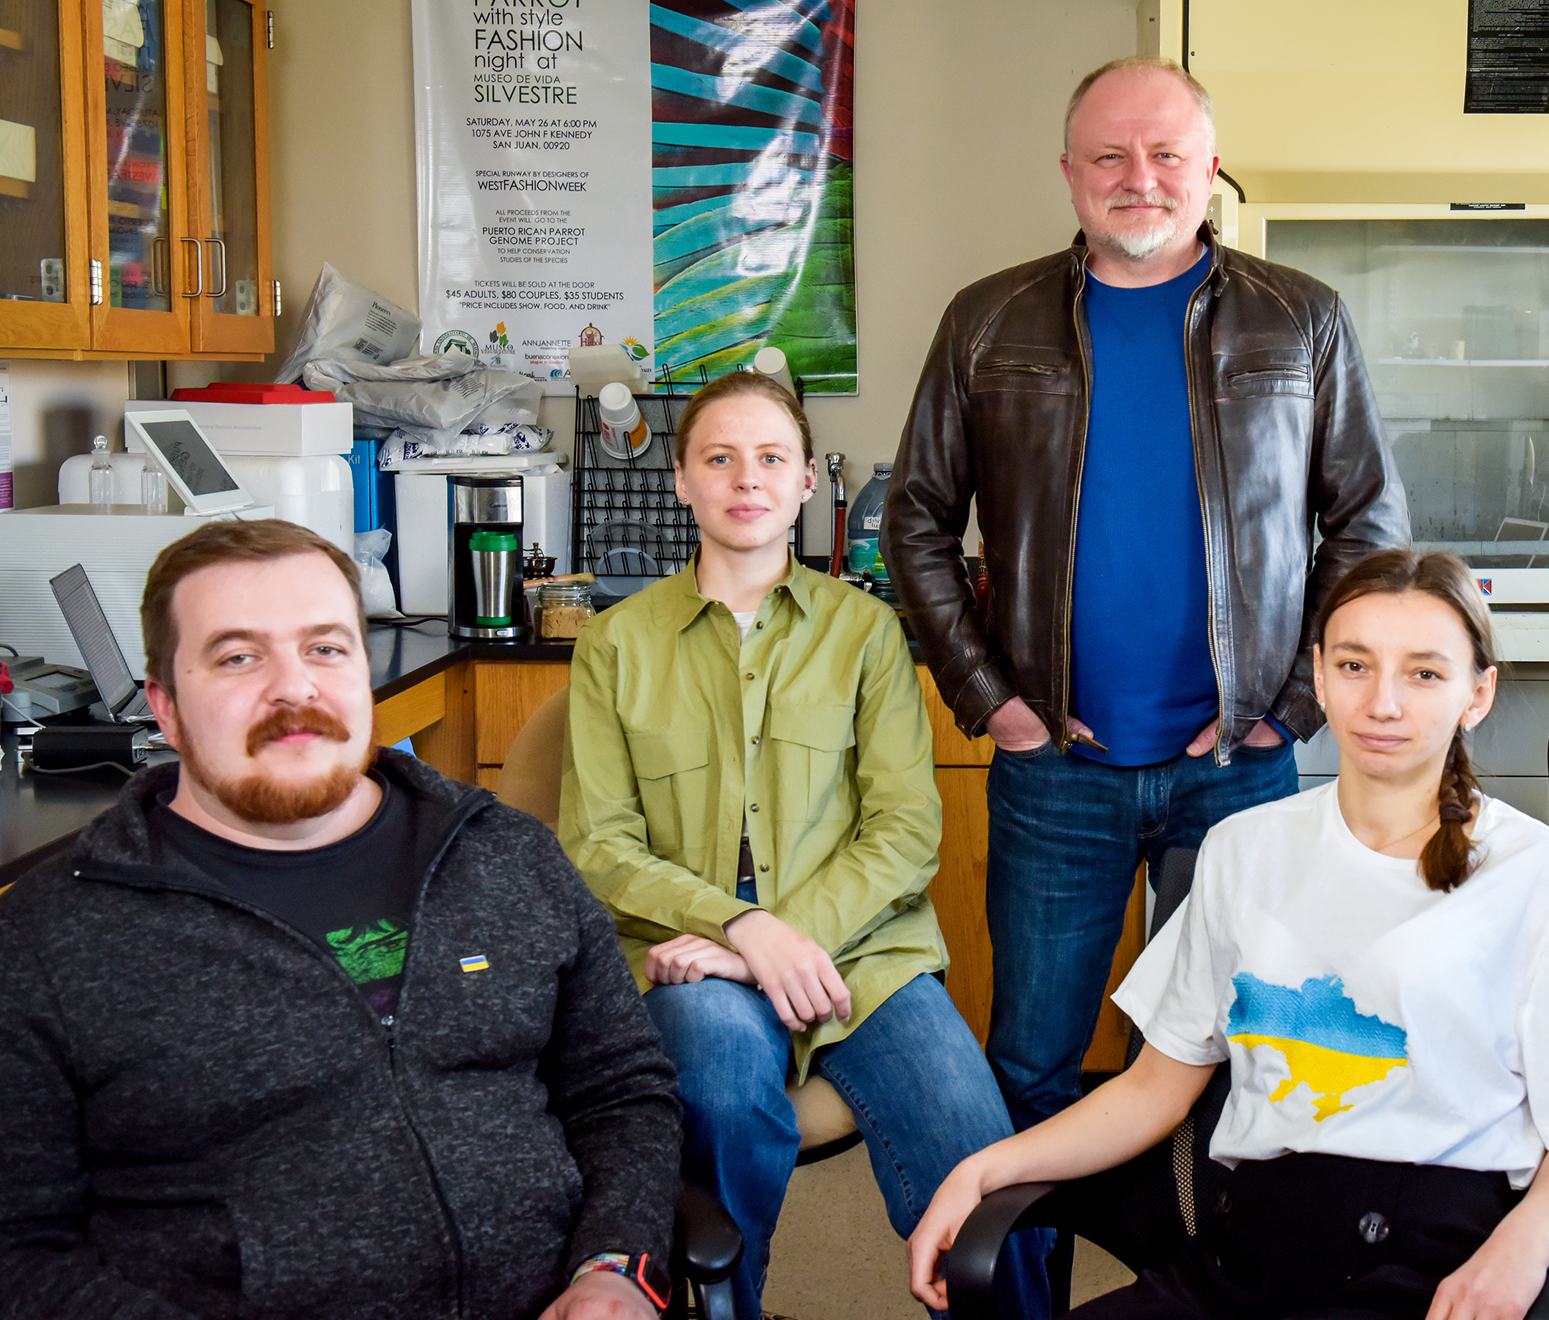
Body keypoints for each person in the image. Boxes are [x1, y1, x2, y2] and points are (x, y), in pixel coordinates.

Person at [908, 549, 1549, 1320]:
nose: (1385, 703)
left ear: (1478, 693)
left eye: (1425, 674)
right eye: (1356, 665)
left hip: (1423, 1266)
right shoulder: (1244, 848)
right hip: (1241, 1258)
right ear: (1320, 679)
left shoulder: (1534, 870)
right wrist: (983, 1170)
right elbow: (1153, 1089)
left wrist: (1522, 1247)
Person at [885, 55, 1410, 1130]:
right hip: (1055, 771)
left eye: (1167, 153)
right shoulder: (986, 321)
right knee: (1030, 1065)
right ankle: (1022, 1300)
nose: (1141, 177)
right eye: (1111, 155)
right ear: (1069, 172)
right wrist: (993, 699)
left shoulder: (1301, 318)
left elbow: (1367, 526)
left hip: (1238, 765)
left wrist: (1294, 709)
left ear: (1211, 168)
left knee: (1255, 1064)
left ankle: (1212, 1294)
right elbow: (916, 522)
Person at [0, 519, 681, 1320]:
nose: (295, 690)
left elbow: (622, 1092)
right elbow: (19, 1247)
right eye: (238, 657)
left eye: (325, 648)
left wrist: (615, 1268)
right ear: (167, 707)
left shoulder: (506, 856)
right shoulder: (54, 938)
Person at [560, 371, 1048, 1320]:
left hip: (864, 956)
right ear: (681, 481)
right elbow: (599, 846)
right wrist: (745, 932)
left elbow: (905, 831)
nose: (747, 478)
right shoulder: (614, 646)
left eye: (771, 458)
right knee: (725, 1091)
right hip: (687, 962)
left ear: (806, 482)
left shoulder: (867, 633)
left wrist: (787, 935)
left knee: (978, 1147)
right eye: (720, 458)